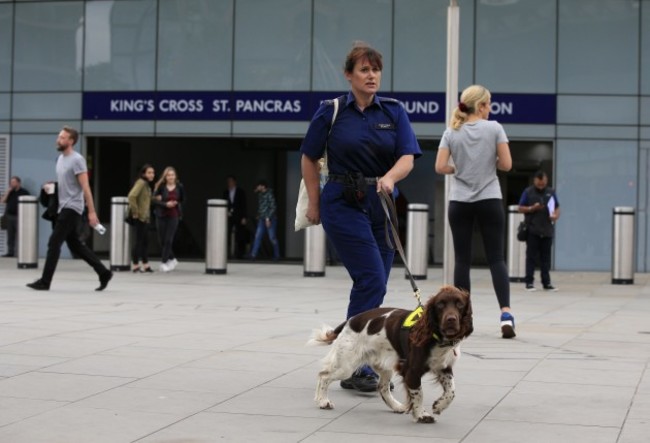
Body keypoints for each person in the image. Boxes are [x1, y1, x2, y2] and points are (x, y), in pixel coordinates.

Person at [300, 42, 421, 392]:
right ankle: (356, 366)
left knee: (375, 284)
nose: (372, 76)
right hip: (343, 201)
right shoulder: (332, 111)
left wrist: (391, 177)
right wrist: (313, 203)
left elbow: (407, 157)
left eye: (376, 69)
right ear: (349, 75)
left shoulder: (394, 112)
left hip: (381, 204)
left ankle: (348, 350)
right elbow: (309, 158)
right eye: (364, 70)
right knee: (370, 278)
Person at [434, 84, 515, 339]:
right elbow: (507, 165)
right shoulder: (495, 129)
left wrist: (458, 170)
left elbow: (440, 166)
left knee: (462, 260)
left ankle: (462, 320)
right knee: (496, 259)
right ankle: (506, 315)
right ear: (480, 106)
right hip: (489, 198)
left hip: (460, 201)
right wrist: (490, 162)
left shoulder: (451, 132)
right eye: (488, 104)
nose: (490, 109)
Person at [26, 126, 113, 291]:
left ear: (71, 141)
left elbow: (85, 187)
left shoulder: (77, 160)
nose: (58, 140)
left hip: (72, 207)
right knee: (75, 245)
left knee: (54, 243)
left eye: (62, 137)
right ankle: (103, 273)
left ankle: (45, 282)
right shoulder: (60, 159)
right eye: (59, 137)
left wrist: (92, 212)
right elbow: (66, 183)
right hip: (62, 206)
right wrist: (50, 187)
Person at [518, 170, 560, 292]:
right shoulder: (528, 192)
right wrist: (532, 208)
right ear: (535, 181)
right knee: (531, 257)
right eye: (539, 183)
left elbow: (557, 207)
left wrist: (555, 216)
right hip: (532, 230)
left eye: (543, 183)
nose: (541, 185)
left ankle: (546, 283)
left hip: (547, 230)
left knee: (545, 258)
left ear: (546, 181)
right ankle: (529, 282)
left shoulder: (551, 192)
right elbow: (520, 208)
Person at [153, 166, 184, 272]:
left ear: (175, 176)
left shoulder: (180, 186)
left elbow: (182, 199)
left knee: (168, 240)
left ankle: (164, 262)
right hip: (161, 215)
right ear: (165, 177)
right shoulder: (160, 187)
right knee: (161, 240)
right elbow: (153, 200)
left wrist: (176, 203)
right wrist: (165, 204)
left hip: (173, 215)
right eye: (168, 175)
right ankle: (173, 259)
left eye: (172, 175)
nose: (171, 177)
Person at [127, 164, 155, 273]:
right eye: (149, 172)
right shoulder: (141, 183)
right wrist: (135, 212)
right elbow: (131, 196)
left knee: (145, 241)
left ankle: (145, 264)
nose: (152, 174)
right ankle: (135, 265)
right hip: (140, 217)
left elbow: (144, 199)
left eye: (152, 172)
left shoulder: (146, 184)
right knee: (139, 242)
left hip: (145, 217)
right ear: (143, 174)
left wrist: (155, 198)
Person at [249, 180, 280, 260]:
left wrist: (268, 218)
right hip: (262, 219)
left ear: (263, 186)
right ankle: (253, 254)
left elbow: (273, 207)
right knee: (258, 236)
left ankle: (277, 255)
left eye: (258, 186)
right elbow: (262, 207)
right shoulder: (260, 194)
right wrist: (259, 215)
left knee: (272, 237)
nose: (257, 187)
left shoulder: (269, 194)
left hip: (270, 219)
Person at [1, 176, 30, 257]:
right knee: (10, 236)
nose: (12, 184)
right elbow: (2, 201)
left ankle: (23, 253)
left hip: (20, 217)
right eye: (11, 182)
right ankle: (10, 252)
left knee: (21, 235)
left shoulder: (24, 192)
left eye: (13, 182)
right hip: (9, 216)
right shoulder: (10, 192)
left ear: (18, 183)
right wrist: (7, 192)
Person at [222, 175, 248, 259]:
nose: (229, 183)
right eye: (228, 182)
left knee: (240, 234)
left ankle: (240, 253)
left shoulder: (240, 192)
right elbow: (223, 203)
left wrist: (244, 217)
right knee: (227, 233)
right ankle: (227, 253)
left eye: (231, 181)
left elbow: (244, 205)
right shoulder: (225, 192)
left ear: (234, 182)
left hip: (239, 216)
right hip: (229, 216)